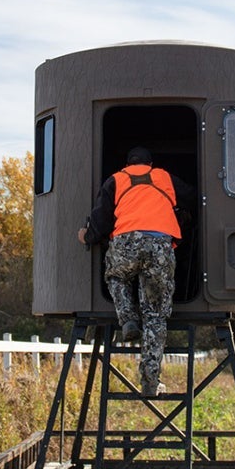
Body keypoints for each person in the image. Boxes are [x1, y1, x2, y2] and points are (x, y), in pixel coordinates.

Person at [77, 146, 192, 397]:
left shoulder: (115, 181)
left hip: (126, 242)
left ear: (127, 164)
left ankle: (127, 317)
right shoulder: (165, 177)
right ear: (150, 164)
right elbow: (192, 198)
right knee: (155, 314)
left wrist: (87, 236)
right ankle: (150, 381)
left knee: (116, 276)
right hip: (159, 245)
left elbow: (101, 220)